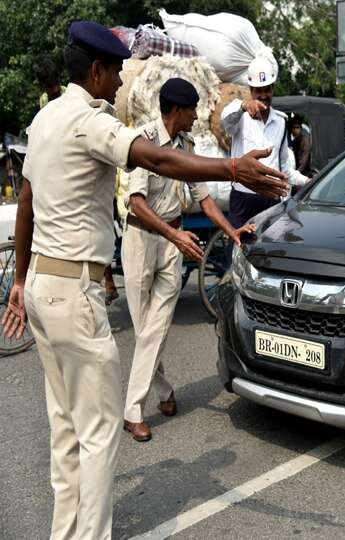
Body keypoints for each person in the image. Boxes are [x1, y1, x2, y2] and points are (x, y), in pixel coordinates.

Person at [1, 21, 287, 540]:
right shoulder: (91, 121)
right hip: (74, 293)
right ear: (96, 71)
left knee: (66, 430)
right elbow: (152, 159)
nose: (119, 85)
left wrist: (19, 280)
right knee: (99, 432)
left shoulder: (44, 119)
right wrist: (232, 169)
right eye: (114, 74)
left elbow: (26, 202)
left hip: (43, 286)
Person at [122, 78, 255, 442]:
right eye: (193, 109)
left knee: (157, 324)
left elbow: (206, 200)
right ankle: (163, 390)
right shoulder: (143, 143)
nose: (197, 116)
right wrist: (174, 236)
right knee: (145, 328)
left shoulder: (188, 145)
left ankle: (132, 410)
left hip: (171, 244)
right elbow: (136, 203)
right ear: (177, 111)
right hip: (140, 241)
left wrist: (231, 232)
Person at [221, 55, 309, 229]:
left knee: (269, 252)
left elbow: (283, 167)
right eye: (258, 91)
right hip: (243, 199)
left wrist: (306, 181)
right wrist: (243, 106)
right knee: (238, 249)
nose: (263, 96)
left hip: (271, 199)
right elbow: (225, 120)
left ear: (273, 89)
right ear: (251, 90)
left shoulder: (282, 122)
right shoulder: (240, 118)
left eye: (267, 90)